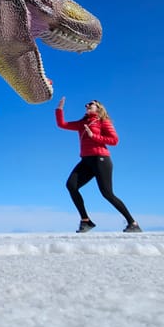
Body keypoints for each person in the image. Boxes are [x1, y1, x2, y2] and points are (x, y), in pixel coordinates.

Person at [55, 97, 142, 233]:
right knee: (71, 185)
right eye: (86, 104)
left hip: (101, 159)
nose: (87, 105)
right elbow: (62, 124)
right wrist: (59, 109)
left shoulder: (103, 121)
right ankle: (85, 220)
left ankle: (133, 223)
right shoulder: (82, 123)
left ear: (99, 108)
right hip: (86, 161)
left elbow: (114, 140)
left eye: (91, 104)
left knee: (107, 193)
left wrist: (93, 136)